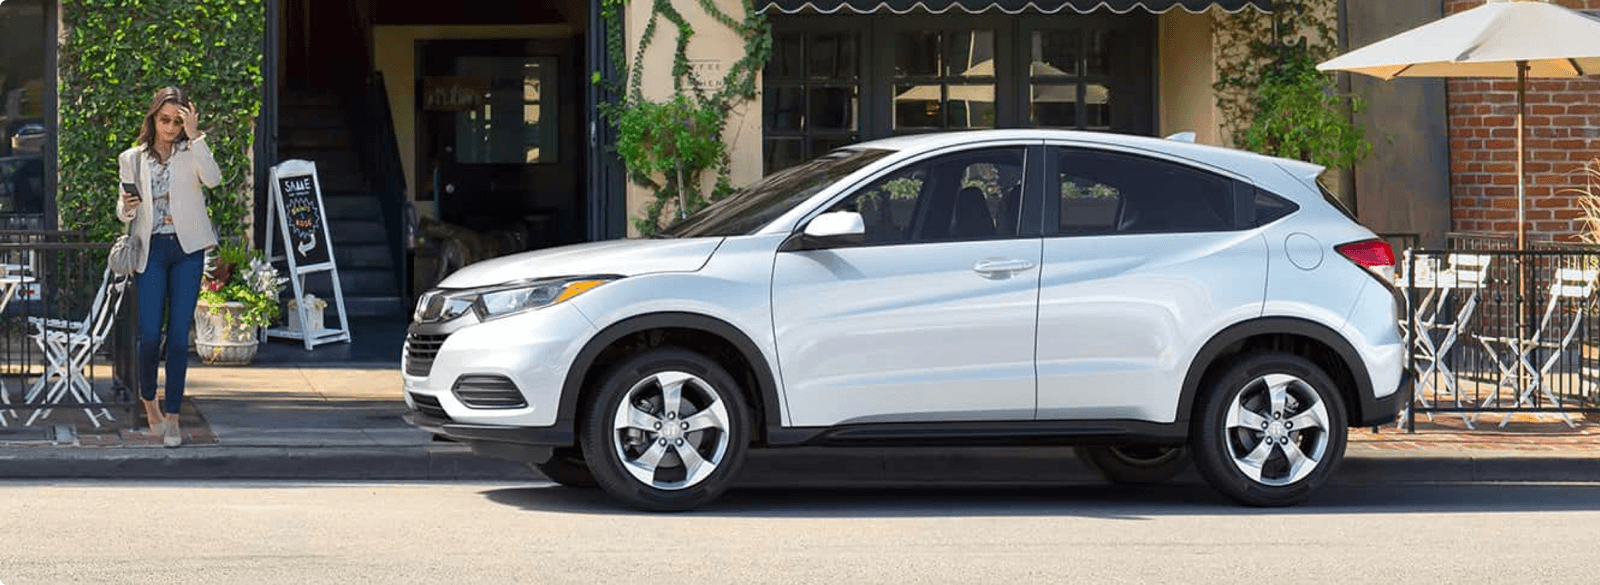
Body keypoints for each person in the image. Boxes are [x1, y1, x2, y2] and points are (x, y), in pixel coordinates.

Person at [116, 86, 220, 448]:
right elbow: (123, 211)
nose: (171, 128)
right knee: (148, 336)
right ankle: (150, 405)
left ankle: (173, 418)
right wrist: (128, 206)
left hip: (187, 250)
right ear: (153, 117)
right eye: (165, 120)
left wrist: (197, 137)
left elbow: (214, 179)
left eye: (178, 121)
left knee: (178, 336)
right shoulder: (132, 158)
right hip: (151, 250)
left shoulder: (192, 152)